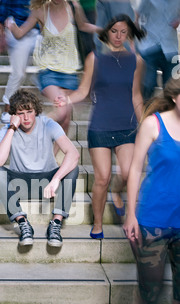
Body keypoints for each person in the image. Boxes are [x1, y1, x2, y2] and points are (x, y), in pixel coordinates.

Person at [56, 14, 144, 240]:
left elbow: (136, 96)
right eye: (115, 31)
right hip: (101, 125)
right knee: (102, 178)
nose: (119, 36)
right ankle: (97, 223)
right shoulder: (94, 58)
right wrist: (67, 100)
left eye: (124, 32)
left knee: (126, 173)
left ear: (129, 35)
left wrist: (146, 124)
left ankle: (117, 191)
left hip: (127, 125)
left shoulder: (136, 60)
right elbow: (83, 91)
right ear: (107, 31)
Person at [123, 78, 180, 304]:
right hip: (154, 221)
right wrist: (130, 214)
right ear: (175, 98)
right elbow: (134, 170)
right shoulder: (152, 123)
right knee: (152, 285)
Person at [0, 89, 80, 248]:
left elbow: (73, 153)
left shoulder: (48, 124)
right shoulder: (7, 130)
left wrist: (56, 179)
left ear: (36, 111)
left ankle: (56, 223)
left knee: (73, 169)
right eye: (21, 113)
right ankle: (23, 223)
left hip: (47, 182)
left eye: (29, 112)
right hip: (20, 183)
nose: (26, 118)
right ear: (14, 114)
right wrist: (12, 128)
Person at [6, 0, 100, 135]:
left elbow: (83, 26)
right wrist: (11, 24)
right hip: (49, 72)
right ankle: (29, 133)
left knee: (66, 121)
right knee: (62, 111)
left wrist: (105, 30)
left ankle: (52, 156)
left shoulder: (73, 7)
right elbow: (20, 34)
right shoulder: (41, 10)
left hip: (70, 72)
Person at [0, 0, 39, 124]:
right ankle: (7, 108)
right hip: (16, 29)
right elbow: (2, 13)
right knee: (19, 73)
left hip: (36, 30)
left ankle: (41, 81)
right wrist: (2, 37)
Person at [135, 0, 180, 101]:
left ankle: (168, 113)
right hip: (149, 46)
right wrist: (137, 34)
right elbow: (137, 15)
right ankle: (144, 112)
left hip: (171, 48)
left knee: (172, 86)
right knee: (147, 84)